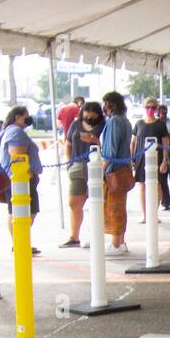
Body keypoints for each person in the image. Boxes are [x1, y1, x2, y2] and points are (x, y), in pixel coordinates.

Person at [0, 105, 42, 255]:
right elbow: (18, 157)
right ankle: (19, 242)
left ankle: (19, 242)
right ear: (17, 117)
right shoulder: (16, 133)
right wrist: (28, 175)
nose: (28, 119)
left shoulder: (8, 131)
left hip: (14, 179)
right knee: (24, 212)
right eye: (26, 116)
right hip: (20, 180)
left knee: (17, 211)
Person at [59, 100, 102, 248]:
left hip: (96, 166)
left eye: (92, 116)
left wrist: (94, 140)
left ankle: (96, 235)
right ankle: (74, 236)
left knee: (96, 202)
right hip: (77, 165)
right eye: (86, 116)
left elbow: (106, 148)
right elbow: (68, 143)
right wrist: (69, 162)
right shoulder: (76, 124)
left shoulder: (103, 126)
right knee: (74, 202)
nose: (89, 119)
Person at [100, 90, 132, 256]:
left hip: (114, 171)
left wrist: (101, 169)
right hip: (124, 169)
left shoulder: (114, 122)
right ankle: (121, 241)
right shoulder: (125, 121)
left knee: (113, 207)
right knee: (120, 206)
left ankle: (115, 244)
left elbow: (110, 151)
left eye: (105, 104)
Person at [133, 99, 170, 218]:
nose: (150, 109)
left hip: (157, 159)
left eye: (153, 107)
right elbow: (132, 142)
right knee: (142, 185)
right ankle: (144, 214)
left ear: (156, 108)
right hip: (141, 159)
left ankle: (153, 213)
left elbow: (165, 143)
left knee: (158, 185)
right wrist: (131, 159)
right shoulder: (139, 123)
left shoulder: (160, 124)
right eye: (148, 107)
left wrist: (164, 160)